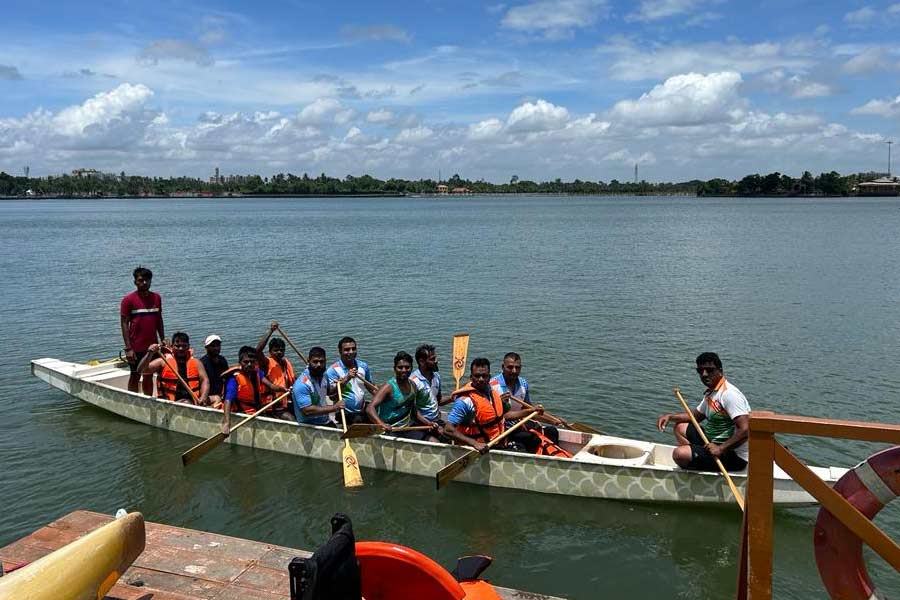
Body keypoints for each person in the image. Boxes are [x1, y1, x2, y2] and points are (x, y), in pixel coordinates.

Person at [656, 352, 750, 471]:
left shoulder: (729, 394)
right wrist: (670, 417)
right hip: (712, 443)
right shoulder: (712, 393)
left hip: (733, 455)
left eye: (709, 370)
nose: (704, 374)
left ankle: (695, 462)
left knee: (679, 454)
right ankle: (698, 456)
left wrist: (720, 449)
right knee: (680, 427)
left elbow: (745, 429)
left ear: (720, 371)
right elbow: (694, 416)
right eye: (700, 371)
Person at [443, 357, 544, 454]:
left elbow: (504, 415)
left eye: (484, 376)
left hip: (498, 442)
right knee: (522, 452)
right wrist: (474, 443)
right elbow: (448, 430)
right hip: (481, 447)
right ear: (471, 377)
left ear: (489, 376)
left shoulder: (493, 393)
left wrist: (531, 410)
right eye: (477, 376)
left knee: (533, 441)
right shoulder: (465, 401)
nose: (481, 379)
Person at [490, 352, 561, 444]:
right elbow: (503, 416)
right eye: (510, 367)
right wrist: (530, 411)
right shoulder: (493, 386)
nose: (514, 371)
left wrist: (554, 420)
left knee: (552, 431)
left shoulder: (523, 384)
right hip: (501, 428)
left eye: (517, 367)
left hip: (518, 423)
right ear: (503, 367)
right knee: (532, 439)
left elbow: (530, 410)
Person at [366, 351, 433, 440]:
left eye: (407, 367)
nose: (404, 370)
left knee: (434, 441)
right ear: (394, 369)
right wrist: (381, 424)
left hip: (408, 427)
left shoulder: (413, 385)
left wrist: (428, 423)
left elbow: (413, 410)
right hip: (390, 430)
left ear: (411, 368)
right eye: (400, 367)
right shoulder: (388, 387)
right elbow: (370, 408)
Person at [221, 346, 288, 434]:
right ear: (240, 362)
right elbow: (228, 400)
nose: (249, 364)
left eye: (252, 362)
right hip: (241, 412)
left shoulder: (257, 372)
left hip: (255, 409)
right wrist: (226, 423)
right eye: (246, 362)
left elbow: (271, 386)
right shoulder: (234, 379)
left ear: (256, 362)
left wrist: (284, 389)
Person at [120, 266, 164, 394]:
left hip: (153, 345)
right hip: (136, 347)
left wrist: (162, 339)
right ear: (135, 282)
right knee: (135, 375)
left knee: (148, 374)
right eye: (141, 280)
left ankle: (148, 399)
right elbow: (124, 324)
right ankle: (132, 399)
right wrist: (128, 348)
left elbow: (159, 320)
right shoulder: (128, 300)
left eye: (147, 280)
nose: (144, 283)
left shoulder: (156, 298)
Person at [137, 332, 210, 405]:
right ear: (172, 347)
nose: (181, 349)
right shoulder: (163, 361)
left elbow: (205, 380)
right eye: (177, 346)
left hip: (193, 401)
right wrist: (149, 353)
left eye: (184, 346)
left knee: (215, 398)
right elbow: (141, 370)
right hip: (169, 402)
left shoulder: (197, 362)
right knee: (185, 403)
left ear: (188, 347)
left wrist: (203, 397)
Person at [325, 337, 376, 425]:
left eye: (353, 349)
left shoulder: (363, 366)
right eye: (347, 350)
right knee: (358, 420)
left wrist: (384, 398)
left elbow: (371, 387)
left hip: (361, 409)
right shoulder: (333, 371)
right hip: (343, 413)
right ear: (340, 351)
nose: (351, 352)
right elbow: (331, 396)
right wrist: (346, 379)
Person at [292, 347, 344, 426]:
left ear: (325, 361)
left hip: (325, 421)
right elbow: (307, 410)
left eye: (322, 362)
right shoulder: (301, 384)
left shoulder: (324, 375)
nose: (319, 365)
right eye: (315, 362)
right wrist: (334, 408)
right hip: (309, 425)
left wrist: (342, 383)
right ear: (308, 361)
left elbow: (329, 392)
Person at [256, 321, 296, 420]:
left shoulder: (285, 363)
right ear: (270, 351)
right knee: (291, 420)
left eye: (282, 350)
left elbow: (292, 380)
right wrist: (271, 331)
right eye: (276, 350)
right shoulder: (266, 362)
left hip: (286, 401)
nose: (279, 352)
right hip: (273, 405)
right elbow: (257, 351)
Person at [409, 343, 449, 441]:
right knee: (437, 443)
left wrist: (452, 398)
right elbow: (411, 410)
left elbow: (437, 401)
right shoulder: (413, 381)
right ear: (422, 362)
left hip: (435, 421)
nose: (436, 361)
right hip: (418, 424)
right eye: (432, 359)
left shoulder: (436, 376)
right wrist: (428, 423)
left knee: (455, 434)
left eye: (435, 358)